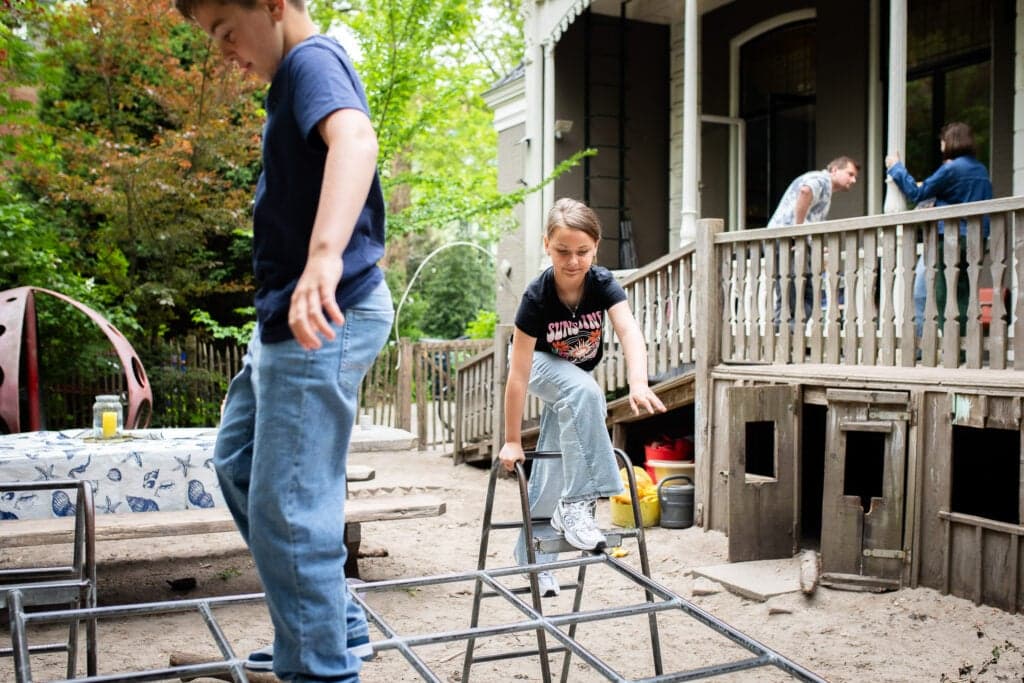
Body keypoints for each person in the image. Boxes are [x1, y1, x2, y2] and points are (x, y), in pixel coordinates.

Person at [172, 1, 394, 680]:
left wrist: (324, 256)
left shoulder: (310, 61)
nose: (223, 52)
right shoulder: (290, 81)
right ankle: (332, 628)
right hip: (280, 324)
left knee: (290, 505)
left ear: (272, 6)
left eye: (225, 32)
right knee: (237, 461)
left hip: (325, 312)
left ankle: (319, 668)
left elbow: (356, 141)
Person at [499, 198, 666, 597]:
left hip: (573, 376)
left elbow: (628, 331)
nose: (572, 261)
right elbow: (518, 376)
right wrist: (509, 440)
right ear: (546, 246)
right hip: (538, 364)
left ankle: (533, 563)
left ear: (596, 247)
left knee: (554, 466)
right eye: (562, 251)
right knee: (585, 392)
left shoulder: (602, 283)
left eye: (582, 252)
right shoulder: (537, 296)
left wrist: (639, 382)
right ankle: (580, 503)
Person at [885, 122, 993, 339]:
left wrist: (896, 167)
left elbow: (916, 193)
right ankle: (967, 346)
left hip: (952, 237)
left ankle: (954, 346)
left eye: (943, 141)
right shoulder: (980, 169)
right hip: (977, 237)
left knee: (945, 294)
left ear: (950, 141)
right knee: (966, 292)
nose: (941, 146)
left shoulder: (951, 168)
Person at [768, 157, 860, 325]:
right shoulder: (821, 179)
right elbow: (805, 191)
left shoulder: (826, 188)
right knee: (793, 297)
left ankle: (786, 340)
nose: (853, 180)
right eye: (850, 174)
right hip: (787, 239)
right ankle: (784, 342)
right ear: (834, 170)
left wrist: (813, 243)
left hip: (795, 241)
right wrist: (798, 231)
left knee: (803, 296)